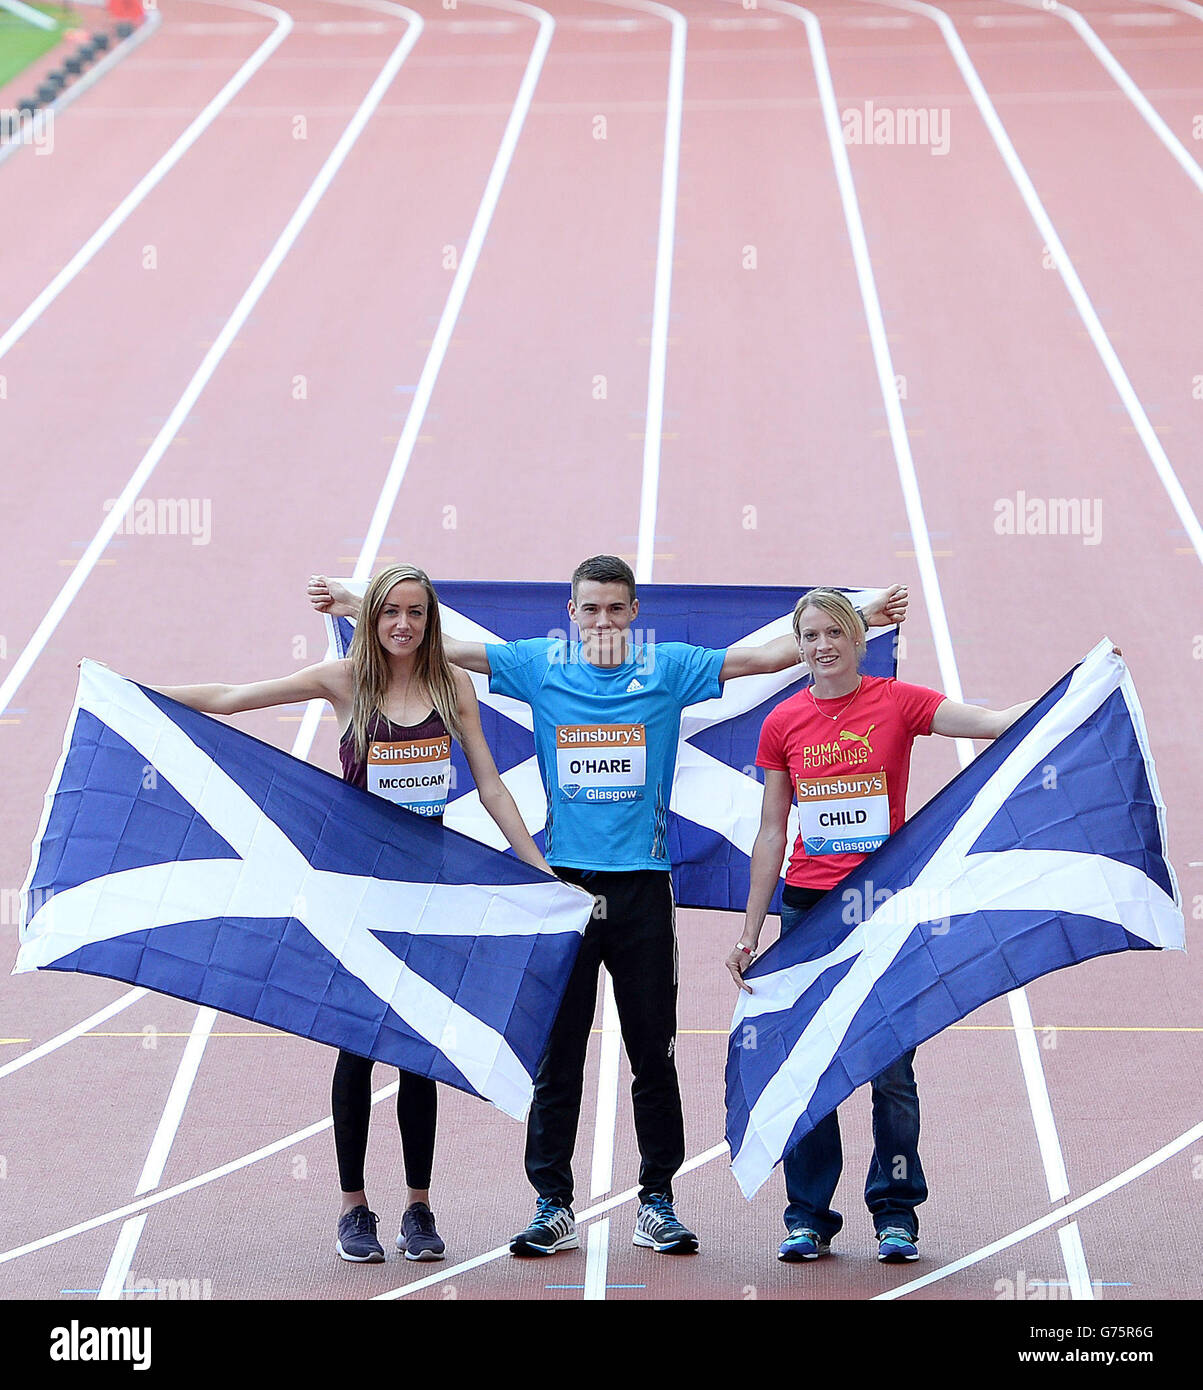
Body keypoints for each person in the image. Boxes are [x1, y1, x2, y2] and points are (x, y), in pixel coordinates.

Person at [311, 561, 909, 1256]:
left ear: (632, 613)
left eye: (613, 610)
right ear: (571, 611)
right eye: (589, 610)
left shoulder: (669, 668)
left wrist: (857, 616)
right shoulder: (538, 665)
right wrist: (362, 604)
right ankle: (550, 1204)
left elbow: (767, 655)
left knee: (651, 1054)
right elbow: (441, 641)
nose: (600, 623)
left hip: (643, 890)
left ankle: (656, 1201)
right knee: (556, 1056)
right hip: (565, 889)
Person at [152, 564, 554, 1265]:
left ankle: (420, 1208)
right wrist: (133, 694)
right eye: (389, 612)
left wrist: (537, 869)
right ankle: (353, 1208)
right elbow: (230, 698)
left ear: (432, 622)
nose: (402, 624)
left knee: (419, 1052)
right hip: (358, 896)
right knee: (357, 1047)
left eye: (416, 613)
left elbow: (489, 785)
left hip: (426, 898)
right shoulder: (345, 681)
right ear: (370, 620)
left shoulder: (449, 686)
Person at [726, 587, 1035, 1264]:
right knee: (809, 1066)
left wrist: (1075, 692)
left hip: (884, 910)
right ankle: (806, 1217)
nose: (821, 646)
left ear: (857, 639)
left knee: (890, 1070)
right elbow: (772, 830)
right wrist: (751, 933)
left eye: (833, 633)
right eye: (809, 636)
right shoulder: (782, 721)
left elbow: (990, 723)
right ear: (798, 646)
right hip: (808, 913)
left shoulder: (898, 701)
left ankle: (895, 1214)